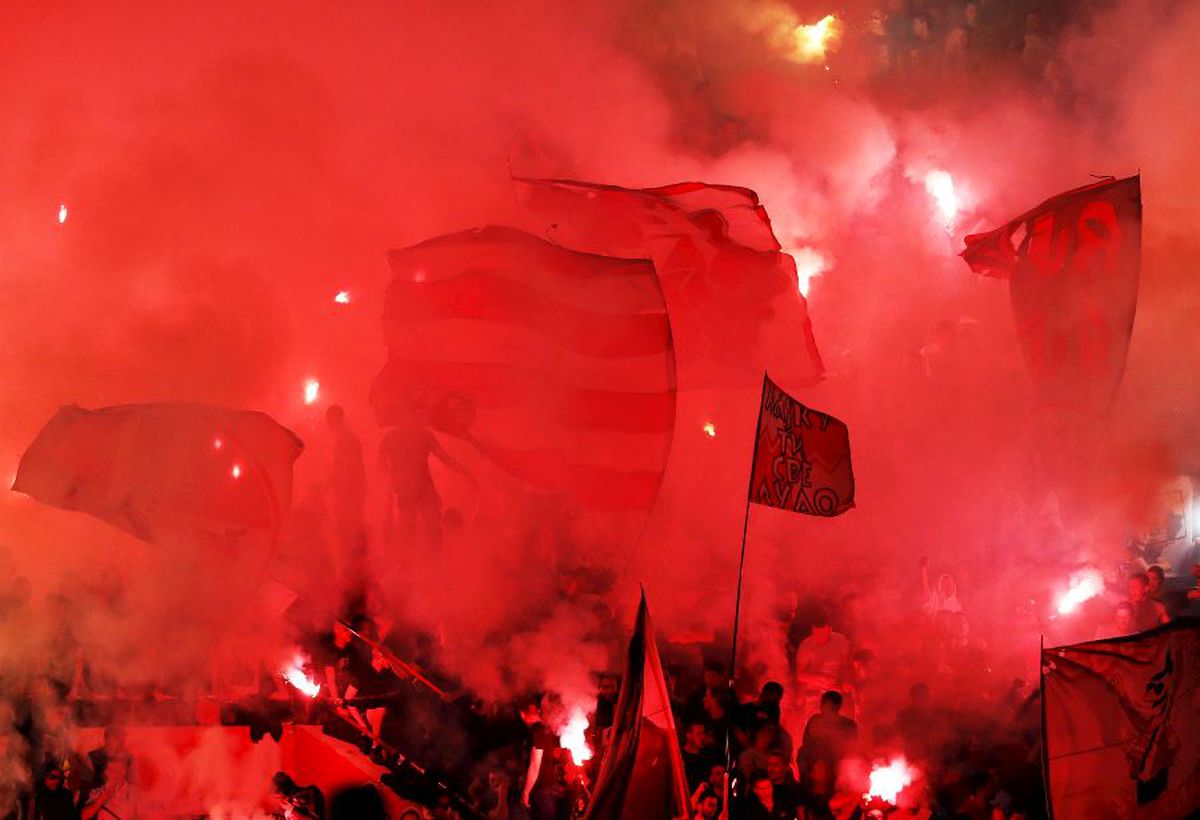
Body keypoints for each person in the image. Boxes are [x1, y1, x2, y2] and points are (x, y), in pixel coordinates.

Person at [379, 409, 474, 549]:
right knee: (413, 531)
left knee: (425, 530)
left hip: (418, 490)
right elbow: (381, 464)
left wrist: (465, 472)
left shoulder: (419, 436)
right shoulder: (395, 437)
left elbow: (445, 458)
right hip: (411, 490)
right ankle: (416, 558)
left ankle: (428, 557)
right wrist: (392, 481)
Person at [325, 405, 368, 580]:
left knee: (348, 533)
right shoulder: (345, 440)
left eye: (331, 420)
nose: (329, 425)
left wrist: (332, 487)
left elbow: (348, 470)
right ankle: (352, 572)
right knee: (347, 533)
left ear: (338, 419)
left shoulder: (347, 440)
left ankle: (353, 573)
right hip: (349, 494)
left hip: (350, 495)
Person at [794, 614, 849, 723]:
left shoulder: (841, 641)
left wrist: (844, 683)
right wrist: (818, 678)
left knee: (835, 725)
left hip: (835, 693)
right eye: (816, 634)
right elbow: (800, 675)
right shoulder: (806, 645)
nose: (818, 638)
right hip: (814, 696)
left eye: (822, 634)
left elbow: (847, 666)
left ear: (829, 629)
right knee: (813, 724)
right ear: (812, 630)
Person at [797, 691, 857, 788]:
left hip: (836, 771)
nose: (822, 707)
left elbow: (851, 751)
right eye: (823, 704)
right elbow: (806, 745)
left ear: (837, 706)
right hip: (814, 770)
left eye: (826, 704)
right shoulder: (815, 721)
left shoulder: (848, 725)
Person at [518, 698, 564, 820]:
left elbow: (535, 764)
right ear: (538, 710)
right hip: (550, 785)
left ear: (522, 714)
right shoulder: (547, 729)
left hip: (542, 788)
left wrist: (526, 791)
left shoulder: (536, 732)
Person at [80, 755, 136, 820]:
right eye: (110, 770)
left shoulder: (133, 793)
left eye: (117, 771)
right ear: (105, 772)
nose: (113, 775)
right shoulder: (97, 792)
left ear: (124, 772)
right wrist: (103, 797)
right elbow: (84, 816)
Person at [681, 721, 719, 790]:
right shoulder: (680, 756)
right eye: (699, 734)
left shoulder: (708, 755)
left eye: (703, 733)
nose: (703, 737)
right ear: (688, 735)